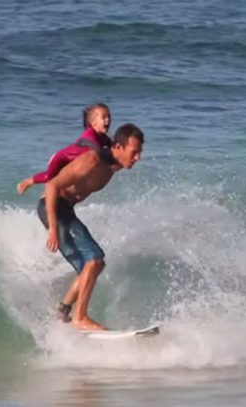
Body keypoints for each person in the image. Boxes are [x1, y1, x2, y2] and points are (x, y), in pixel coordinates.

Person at [33, 123, 144, 330]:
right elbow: (52, 185)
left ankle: (63, 311)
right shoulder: (91, 161)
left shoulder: (113, 163)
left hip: (66, 210)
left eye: (140, 152)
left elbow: (103, 144)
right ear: (118, 147)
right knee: (94, 259)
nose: (138, 157)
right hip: (55, 208)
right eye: (134, 152)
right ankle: (80, 317)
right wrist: (52, 228)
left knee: (93, 267)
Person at [17, 103, 112, 195]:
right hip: (60, 158)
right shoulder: (89, 134)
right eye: (103, 117)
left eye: (109, 116)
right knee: (49, 177)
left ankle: (51, 196)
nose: (107, 120)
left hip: (71, 163)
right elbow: (97, 150)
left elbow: (113, 147)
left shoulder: (103, 137)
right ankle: (28, 182)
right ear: (93, 122)